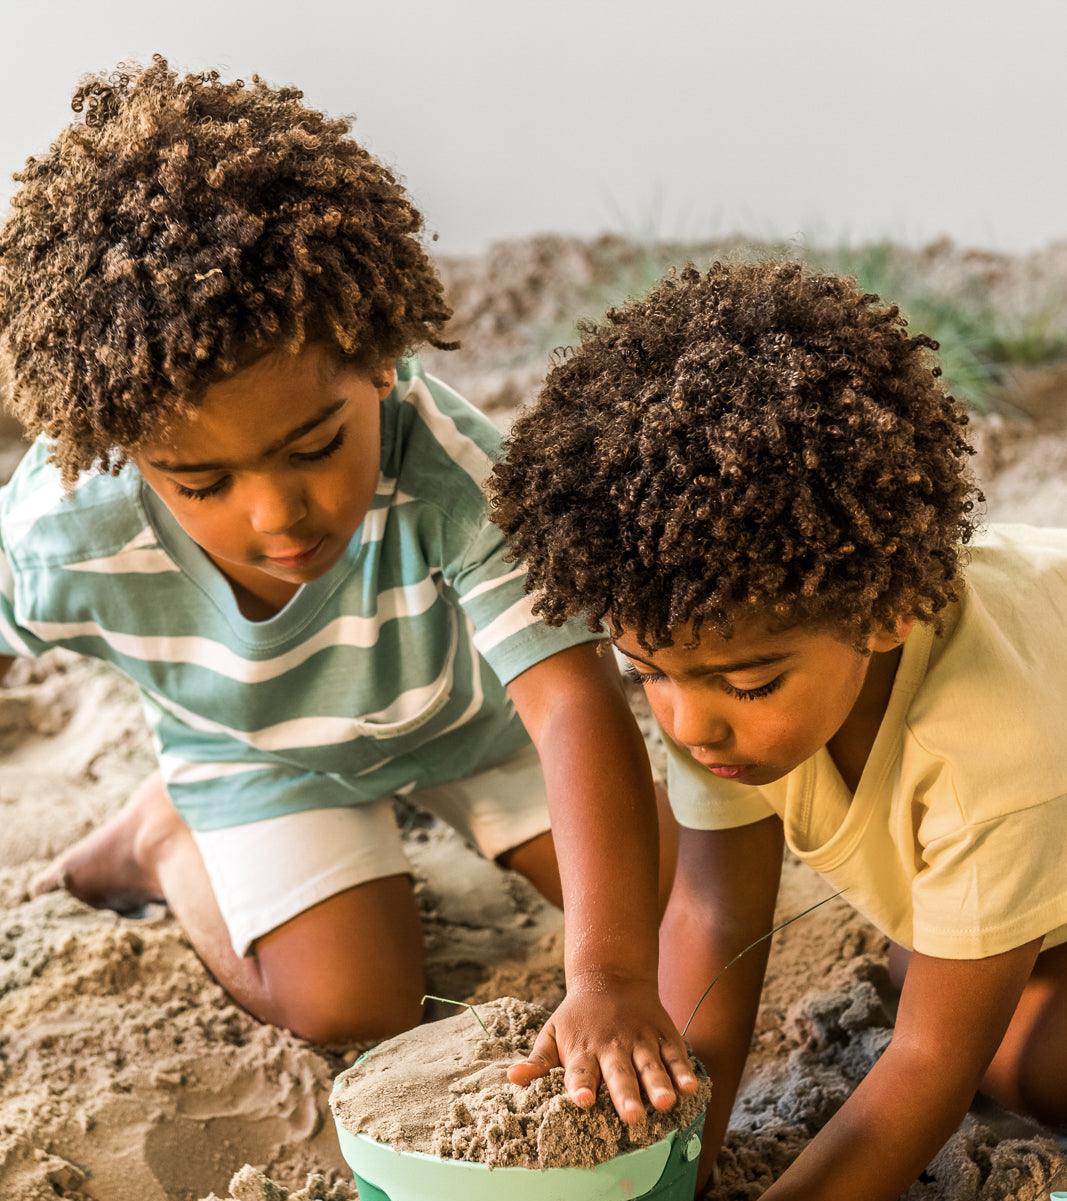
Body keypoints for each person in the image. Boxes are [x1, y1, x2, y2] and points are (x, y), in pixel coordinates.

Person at [0, 57, 696, 1108]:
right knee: (352, 1004)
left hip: (469, 718)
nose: (277, 513)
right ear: (128, 454)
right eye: (203, 481)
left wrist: (605, 976)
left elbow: (569, 699)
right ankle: (161, 836)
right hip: (258, 753)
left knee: (670, 894)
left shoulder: (457, 476)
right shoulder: (67, 536)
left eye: (316, 445)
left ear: (379, 363)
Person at [490, 257, 1067, 1201]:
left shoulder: (992, 752)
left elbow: (927, 1066)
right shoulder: (709, 657)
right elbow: (713, 911)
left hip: (1032, 801)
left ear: (886, 604)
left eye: (747, 686)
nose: (692, 725)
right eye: (645, 673)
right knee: (935, 979)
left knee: (1003, 1051)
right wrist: (672, 1170)